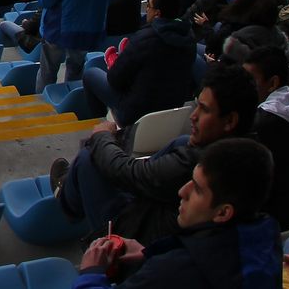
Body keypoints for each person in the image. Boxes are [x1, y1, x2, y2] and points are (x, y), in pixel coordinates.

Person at [52, 63, 260, 245]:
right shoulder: (250, 152)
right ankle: (72, 185)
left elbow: (127, 172)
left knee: (89, 158)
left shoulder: (202, 163)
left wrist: (102, 137)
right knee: (179, 142)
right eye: (196, 105)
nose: (193, 116)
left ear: (230, 121)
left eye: (204, 110)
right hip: (163, 212)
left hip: (142, 234)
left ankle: (67, 198)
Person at [72, 138, 280, 289]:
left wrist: (91, 273)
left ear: (223, 212)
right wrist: (150, 254)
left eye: (197, 189)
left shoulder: (170, 271)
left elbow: (181, 272)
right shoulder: (267, 236)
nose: (182, 191)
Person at [81, 0, 197, 127]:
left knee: (90, 74)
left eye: (149, 6)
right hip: (173, 109)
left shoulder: (144, 39)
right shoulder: (189, 37)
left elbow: (115, 80)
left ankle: (101, 127)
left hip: (135, 113)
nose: (147, 9)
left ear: (157, 13)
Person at [241, 45, 289, 232]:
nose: (243, 86)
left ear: (273, 83)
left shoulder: (260, 123)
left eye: (249, 81)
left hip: (272, 218)